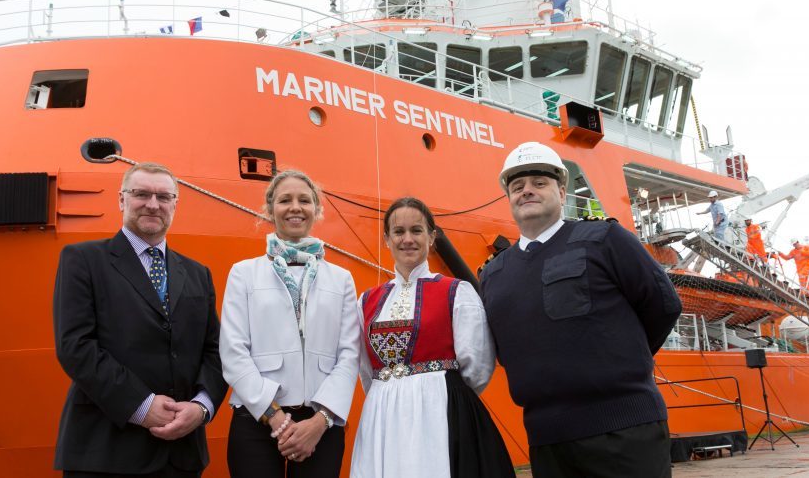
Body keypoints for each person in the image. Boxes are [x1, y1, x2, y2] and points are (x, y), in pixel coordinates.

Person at [480, 142, 682, 478]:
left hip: (624, 431)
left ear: (562, 190)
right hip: (548, 442)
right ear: (509, 198)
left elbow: (662, 305)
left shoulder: (605, 239)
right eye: (517, 186)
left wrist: (618, 360)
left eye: (539, 183)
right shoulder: (493, 274)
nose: (527, 191)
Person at [53, 162, 228, 478]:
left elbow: (215, 351)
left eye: (163, 197)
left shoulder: (198, 274)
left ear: (175, 204)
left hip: (181, 455)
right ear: (121, 200)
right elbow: (75, 346)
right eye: (141, 194)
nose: (152, 204)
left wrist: (202, 408)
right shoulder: (83, 260)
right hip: (104, 452)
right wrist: (141, 406)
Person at [351, 197, 514, 478]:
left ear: (432, 236)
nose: (408, 239)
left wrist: (442, 395)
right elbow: (366, 369)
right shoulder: (367, 300)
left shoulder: (457, 291)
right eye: (398, 232)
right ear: (387, 239)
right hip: (382, 412)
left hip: (438, 409)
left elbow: (477, 365)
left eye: (416, 230)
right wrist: (389, 394)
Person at [220, 170, 359, 478]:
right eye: (285, 200)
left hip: (320, 422)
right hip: (256, 416)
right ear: (270, 210)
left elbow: (349, 355)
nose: (295, 207)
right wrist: (276, 417)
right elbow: (233, 351)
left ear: (316, 210)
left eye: (304, 200)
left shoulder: (342, 279)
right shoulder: (243, 273)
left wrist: (321, 420)